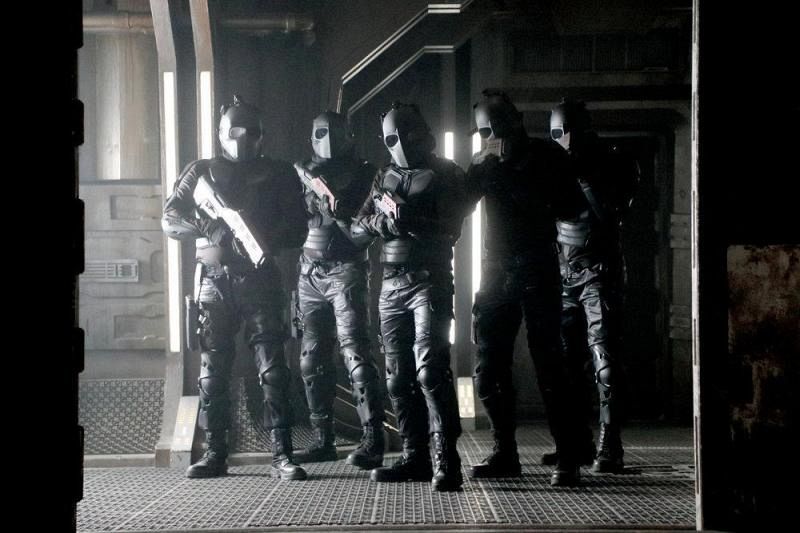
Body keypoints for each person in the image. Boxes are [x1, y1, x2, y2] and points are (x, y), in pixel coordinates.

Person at [161, 95, 308, 480]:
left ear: (261, 136)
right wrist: (210, 227)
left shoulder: (279, 173)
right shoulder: (201, 171)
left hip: (260, 279)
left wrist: (260, 236)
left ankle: (282, 453)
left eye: (250, 133)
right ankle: (216, 453)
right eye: (234, 132)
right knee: (212, 372)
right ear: (220, 133)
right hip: (214, 281)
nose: (242, 140)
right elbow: (170, 218)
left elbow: (298, 228)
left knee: (273, 370)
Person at [466, 89, 585, 486]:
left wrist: (511, 180)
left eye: (497, 127)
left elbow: (569, 208)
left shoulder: (547, 156)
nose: (493, 136)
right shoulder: (485, 163)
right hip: (495, 268)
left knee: (550, 363)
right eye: (485, 131)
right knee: (489, 365)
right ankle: (505, 452)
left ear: (516, 122)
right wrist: (477, 172)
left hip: (537, 265)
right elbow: (459, 205)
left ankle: (568, 454)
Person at [354, 102, 470, 491]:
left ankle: (446, 459)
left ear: (423, 133)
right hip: (391, 284)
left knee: (431, 371)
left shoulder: (446, 173)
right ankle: (414, 456)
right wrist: (383, 222)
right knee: (398, 377)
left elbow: (451, 228)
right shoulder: (383, 176)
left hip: (428, 280)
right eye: (393, 138)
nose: (401, 144)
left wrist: (412, 220)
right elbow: (357, 227)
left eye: (407, 134)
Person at [542, 98, 640, 474]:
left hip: (599, 269)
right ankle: (576, 442)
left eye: (570, 131)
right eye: (558, 133)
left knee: (605, 361)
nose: (565, 139)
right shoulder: (551, 164)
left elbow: (613, 213)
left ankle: (609, 444)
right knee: (566, 363)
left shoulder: (614, 161)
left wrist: (584, 177)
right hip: (563, 271)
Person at [293, 111, 386, 469]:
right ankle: (323, 440)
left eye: (335, 133)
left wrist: (337, 210)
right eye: (321, 133)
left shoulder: (365, 173)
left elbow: (363, 229)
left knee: (355, 354)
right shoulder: (302, 172)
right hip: (309, 271)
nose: (328, 139)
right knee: (312, 359)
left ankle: (373, 439)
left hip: (346, 269)